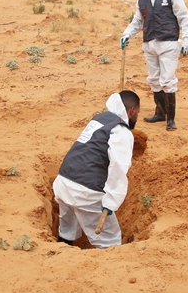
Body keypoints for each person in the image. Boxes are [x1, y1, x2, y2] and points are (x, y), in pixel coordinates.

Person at [53, 91, 140, 249]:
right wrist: (111, 201)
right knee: (110, 239)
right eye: (137, 113)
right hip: (86, 192)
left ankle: (60, 253)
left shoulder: (98, 119)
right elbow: (118, 167)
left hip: (62, 182)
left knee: (67, 226)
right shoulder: (121, 131)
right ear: (132, 111)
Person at [119, 0, 188, 131]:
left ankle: (171, 120)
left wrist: (187, 39)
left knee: (167, 81)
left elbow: (183, 17)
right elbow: (137, 21)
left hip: (168, 44)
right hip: (149, 44)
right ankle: (160, 112)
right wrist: (127, 34)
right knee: (154, 79)